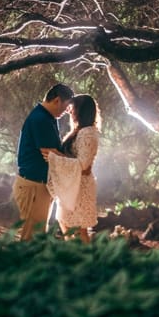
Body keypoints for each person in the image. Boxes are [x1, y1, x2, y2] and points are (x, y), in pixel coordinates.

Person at [12, 83, 74, 240]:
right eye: (66, 106)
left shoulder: (48, 117)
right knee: (32, 236)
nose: (66, 111)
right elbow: (49, 153)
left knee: (38, 235)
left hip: (39, 184)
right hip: (33, 185)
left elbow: (54, 153)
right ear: (57, 100)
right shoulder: (41, 119)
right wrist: (69, 159)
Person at [41, 94, 100, 242]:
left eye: (73, 109)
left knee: (80, 229)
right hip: (70, 185)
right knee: (65, 223)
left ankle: (87, 262)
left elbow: (83, 165)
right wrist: (57, 155)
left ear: (82, 111)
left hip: (80, 188)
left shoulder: (88, 133)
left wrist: (55, 157)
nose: (70, 112)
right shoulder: (78, 131)